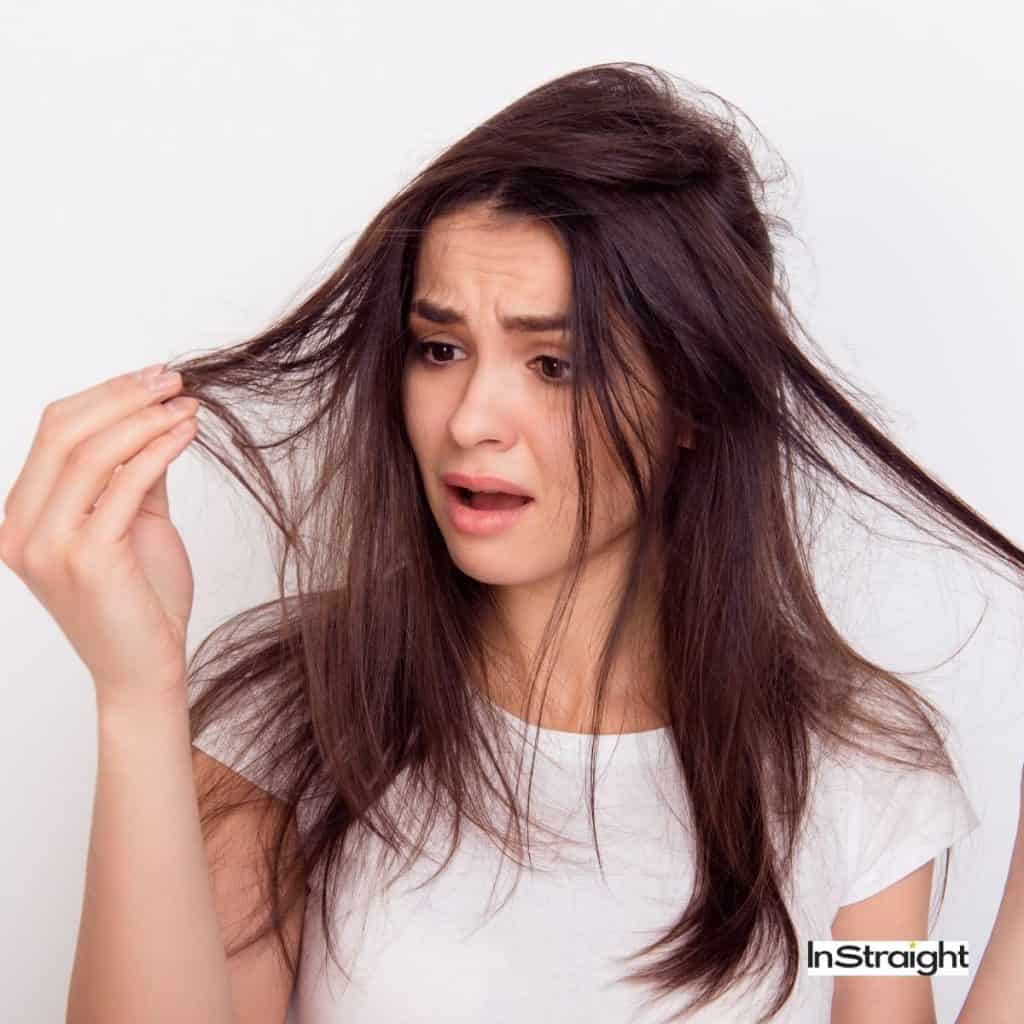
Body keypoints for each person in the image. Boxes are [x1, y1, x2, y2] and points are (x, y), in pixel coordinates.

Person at [3, 61, 1021, 1023]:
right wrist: (134, 694)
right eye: (440, 348)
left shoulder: (862, 767)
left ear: (692, 402)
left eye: (553, 363)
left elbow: (885, 974)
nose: (470, 416)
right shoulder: (302, 711)